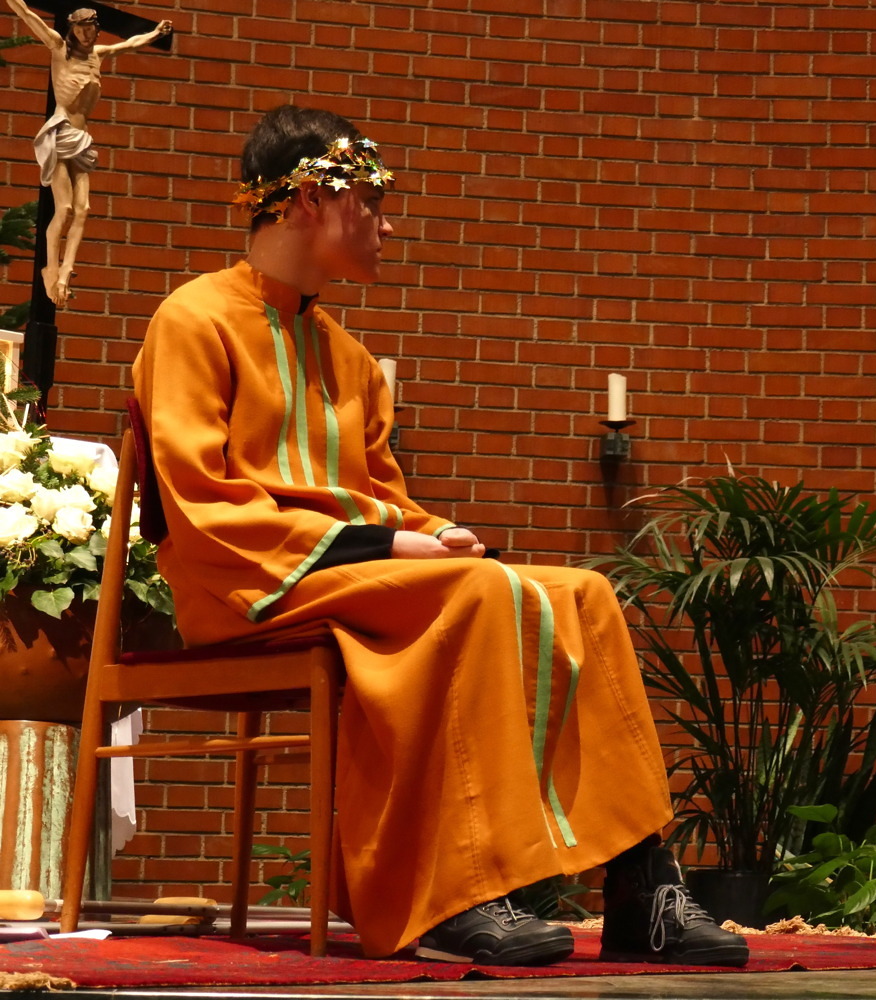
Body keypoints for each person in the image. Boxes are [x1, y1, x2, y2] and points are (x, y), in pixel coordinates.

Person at [132, 104, 747, 968]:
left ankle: (640, 885)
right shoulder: (193, 319)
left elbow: (381, 498)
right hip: (243, 581)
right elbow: (202, 501)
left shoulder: (347, 355)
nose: (387, 226)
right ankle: (452, 891)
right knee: (480, 594)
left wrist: (441, 532)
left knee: (583, 594)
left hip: (351, 574)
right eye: (373, 202)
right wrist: (391, 548)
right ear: (310, 198)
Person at [4, 2, 172, 306]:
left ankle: (66, 271)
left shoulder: (98, 55)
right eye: (80, 28)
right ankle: (51, 268)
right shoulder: (59, 48)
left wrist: (156, 33)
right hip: (61, 132)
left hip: (81, 139)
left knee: (84, 209)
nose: (85, 34)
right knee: (65, 208)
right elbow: (28, 15)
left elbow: (130, 43)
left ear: (96, 29)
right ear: (72, 29)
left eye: (90, 28)